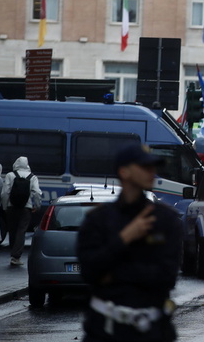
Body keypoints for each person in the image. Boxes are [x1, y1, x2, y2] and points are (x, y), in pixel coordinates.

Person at [77, 144, 182, 342]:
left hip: (152, 332)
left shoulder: (165, 219)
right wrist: (125, 238)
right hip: (104, 332)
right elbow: (90, 272)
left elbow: (166, 277)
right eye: (144, 167)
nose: (152, 172)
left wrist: (114, 274)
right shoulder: (98, 220)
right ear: (124, 172)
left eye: (153, 167)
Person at [1, 156, 42, 266]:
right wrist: (37, 206)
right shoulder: (32, 177)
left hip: (11, 207)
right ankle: (16, 256)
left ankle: (13, 252)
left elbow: (5, 193)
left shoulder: (10, 175)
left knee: (12, 230)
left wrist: (5, 206)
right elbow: (37, 193)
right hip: (26, 208)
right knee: (21, 231)